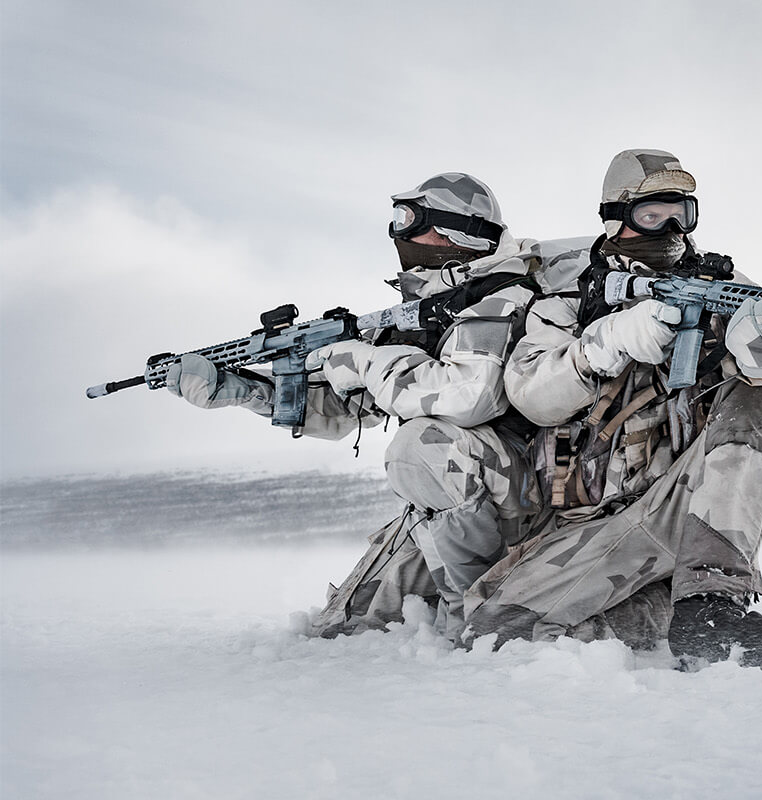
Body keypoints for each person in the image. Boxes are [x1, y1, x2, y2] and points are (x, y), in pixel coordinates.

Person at [166, 172, 546, 638]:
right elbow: (349, 411)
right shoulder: (426, 309)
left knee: (418, 443)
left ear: (455, 231)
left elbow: (469, 397)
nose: (399, 234)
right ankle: (459, 613)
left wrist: (364, 359)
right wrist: (244, 390)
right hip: (457, 500)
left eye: (411, 221)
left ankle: (479, 619)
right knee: (349, 624)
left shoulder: (502, 296)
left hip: (528, 485)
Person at [462, 149, 762, 669]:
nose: (670, 228)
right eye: (652, 214)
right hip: (597, 520)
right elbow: (530, 394)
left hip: (694, 502)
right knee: (495, 627)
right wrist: (608, 341)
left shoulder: (728, 291)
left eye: (681, 213)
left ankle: (714, 601)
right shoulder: (568, 301)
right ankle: (663, 608)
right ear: (616, 218)